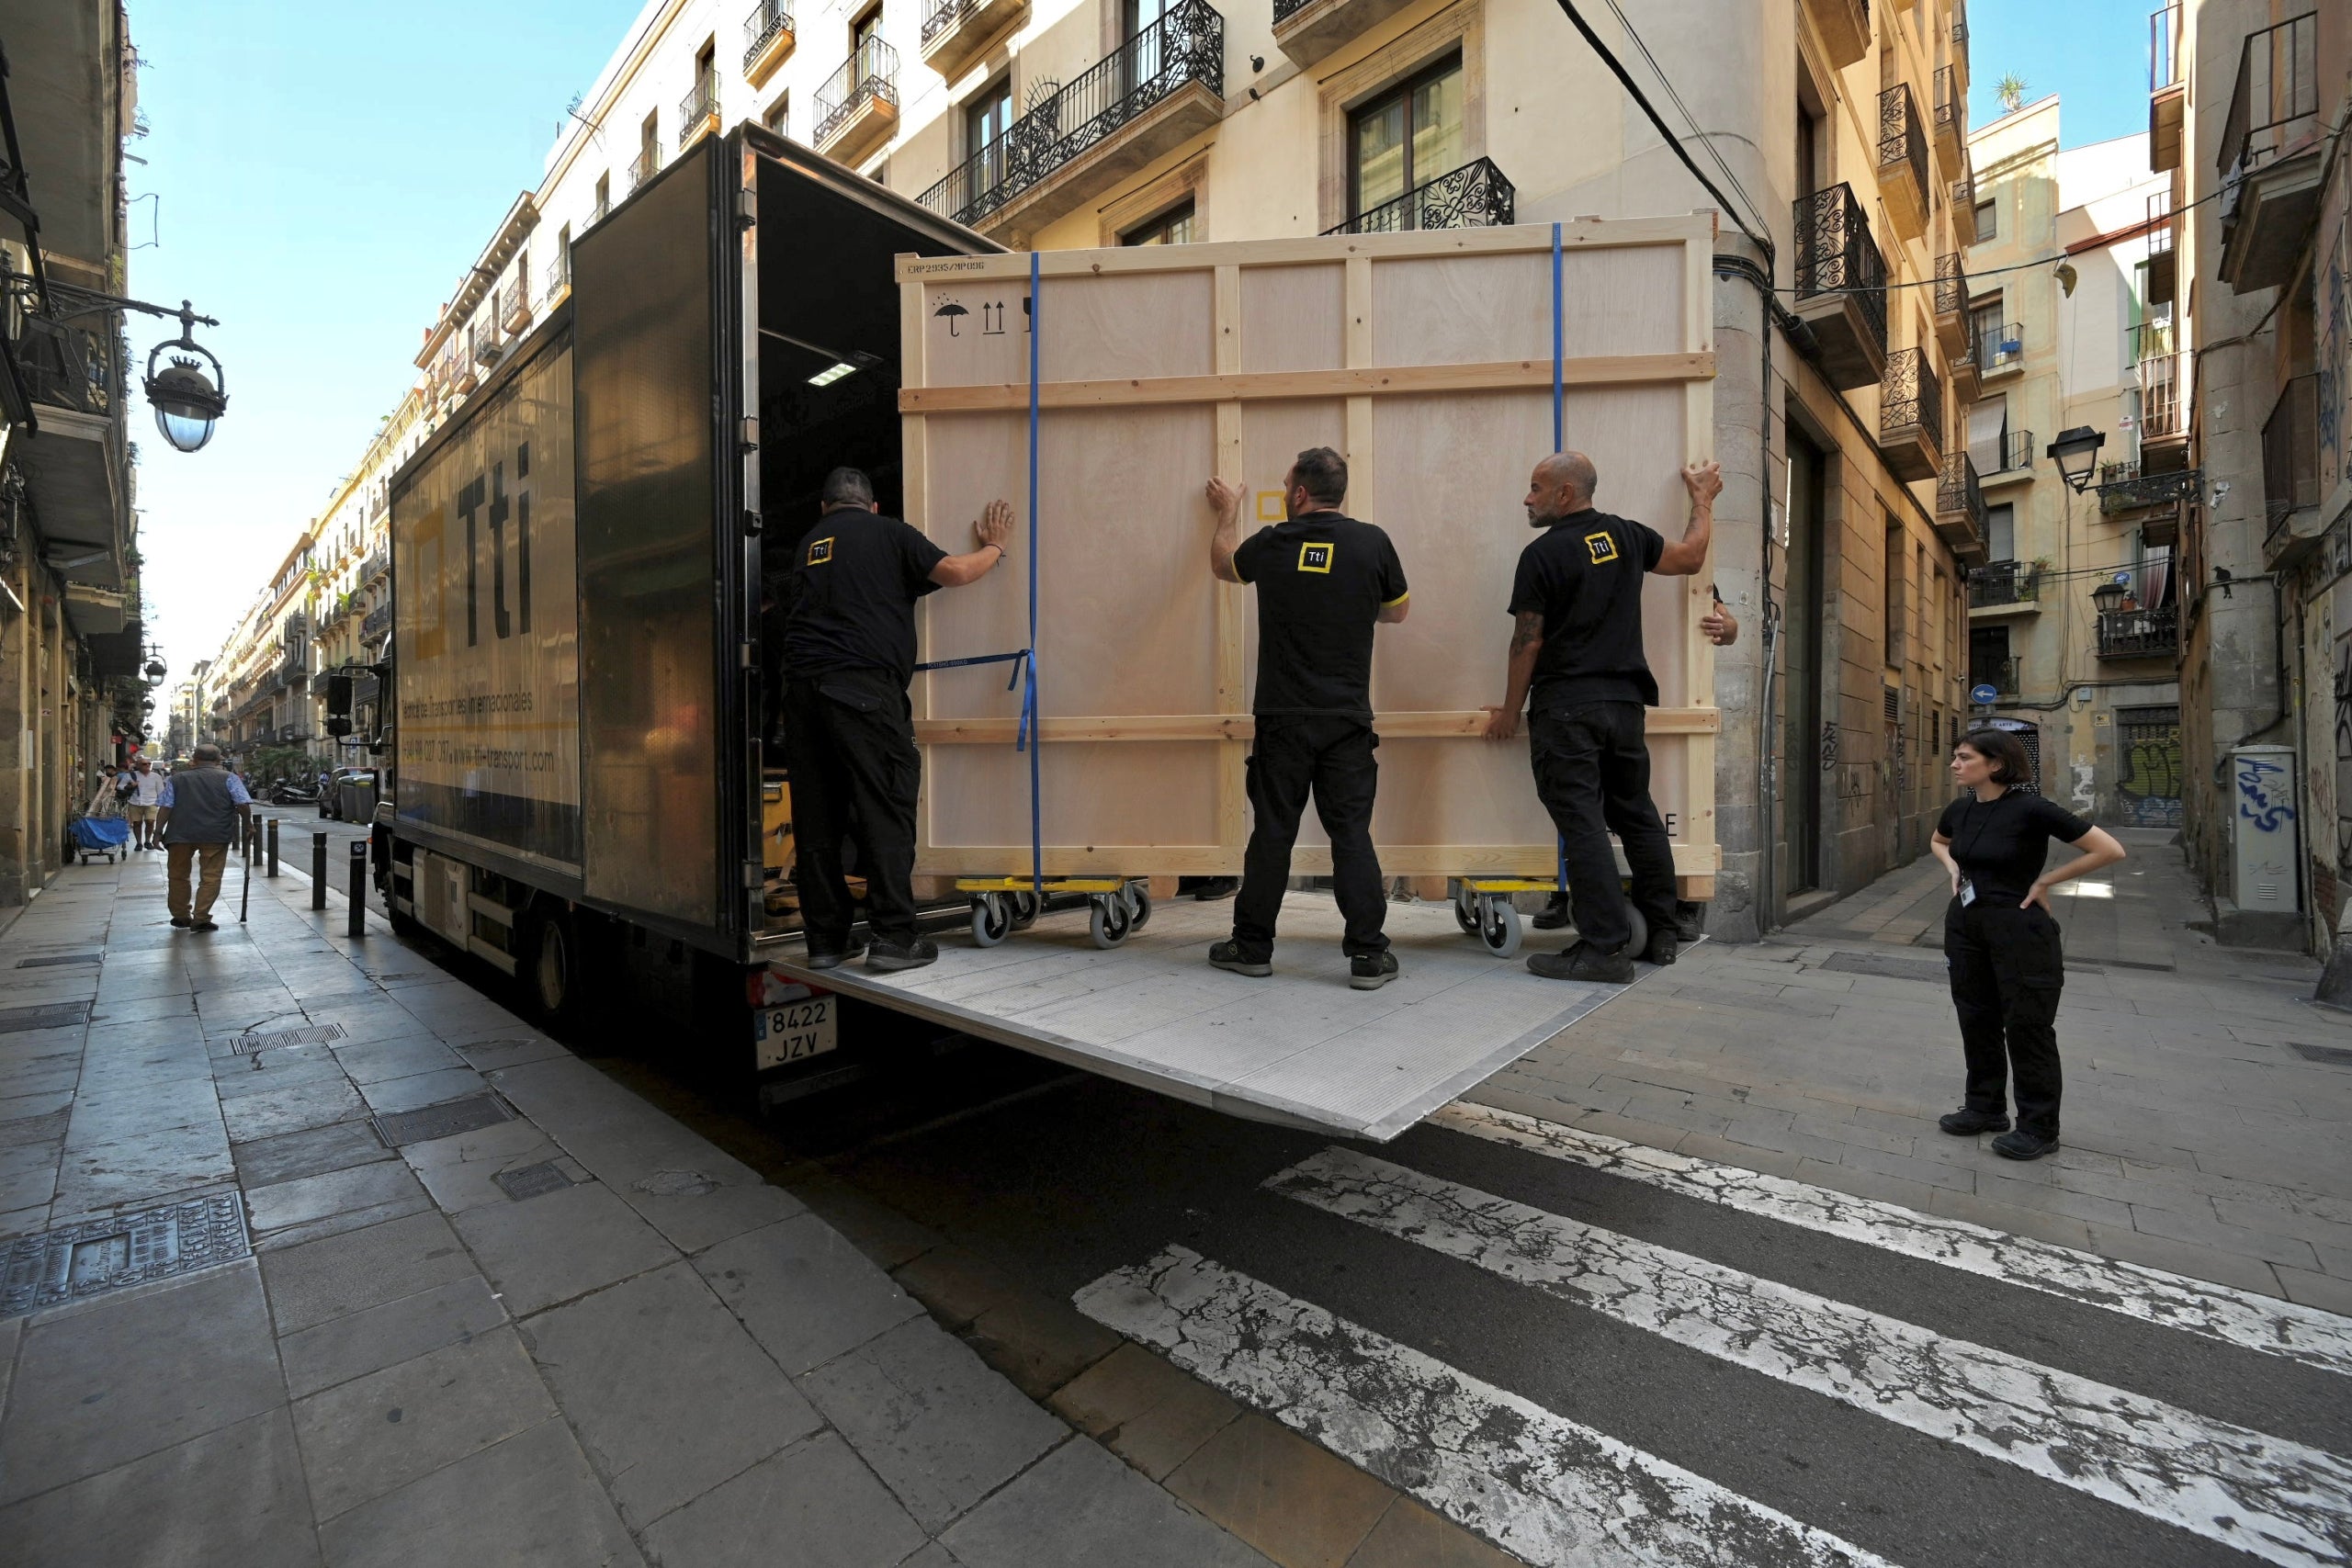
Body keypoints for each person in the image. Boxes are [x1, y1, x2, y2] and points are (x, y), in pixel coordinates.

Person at [1484, 453, 1717, 983]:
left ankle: (1604, 947)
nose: (1528, 498)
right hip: (1625, 705)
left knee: (1582, 823)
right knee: (1636, 813)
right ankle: (1661, 932)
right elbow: (1690, 557)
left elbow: (1528, 640)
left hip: (1568, 708)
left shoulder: (1541, 555)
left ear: (1565, 494)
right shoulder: (1626, 536)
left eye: (1536, 488)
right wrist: (1702, 500)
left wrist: (1508, 711)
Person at [779, 466, 1012, 973]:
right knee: (884, 807)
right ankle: (893, 938)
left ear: (825, 508)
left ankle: (825, 940)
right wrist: (995, 547)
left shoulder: (808, 546)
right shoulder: (890, 534)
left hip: (801, 699)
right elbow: (954, 572)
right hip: (862, 692)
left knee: (817, 821)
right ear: (873, 506)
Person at [1203, 447, 1409, 990]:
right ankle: (1368, 956)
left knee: (1273, 832)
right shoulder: (1373, 543)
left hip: (1282, 719)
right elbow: (1398, 610)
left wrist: (1228, 512)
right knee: (1351, 836)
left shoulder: (1272, 543)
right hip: (1346, 720)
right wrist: (1351, 601)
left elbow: (1223, 565)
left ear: (1298, 494)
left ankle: (1251, 949)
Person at [1929, 728, 2125, 1160]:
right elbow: (1939, 841)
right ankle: (1984, 1108)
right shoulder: (1960, 809)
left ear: (1995, 764)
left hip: (2019, 931)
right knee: (1975, 1019)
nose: (1954, 764)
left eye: (1964, 757)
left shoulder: (2031, 809)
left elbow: (2108, 849)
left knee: (2027, 1027)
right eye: (1955, 756)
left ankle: (2039, 1127)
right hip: (1966, 927)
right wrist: (1952, 868)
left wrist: (2045, 881)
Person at [1533, 587, 1739, 934]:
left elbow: (1722, 616)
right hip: (1614, 698)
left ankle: (1674, 909)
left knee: (1637, 811)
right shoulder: (1600, 555)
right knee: (1594, 811)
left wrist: (1728, 627)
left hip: (1656, 698)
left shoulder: (1666, 564)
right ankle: (1568, 895)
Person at [157, 743, 253, 932]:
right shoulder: (229, 778)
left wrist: (157, 832)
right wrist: (248, 823)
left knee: (177, 875)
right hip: (215, 834)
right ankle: (200, 918)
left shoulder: (177, 779)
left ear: (195, 759)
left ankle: (181, 916)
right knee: (211, 877)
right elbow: (242, 803)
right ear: (218, 760)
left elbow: (165, 807)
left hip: (180, 834)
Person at [126, 756, 165, 850]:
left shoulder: (156, 777)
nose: (147, 765)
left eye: (149, 763)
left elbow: (161, 791)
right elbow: (120, 786)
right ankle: (139, 843)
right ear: (138, 765)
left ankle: (147, 841)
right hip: (134, 802)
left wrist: (160, 803)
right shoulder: (131, 775)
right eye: (144, 764)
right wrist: (131, 785)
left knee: (150, 822)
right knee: (137, 823)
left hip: (151, 802)